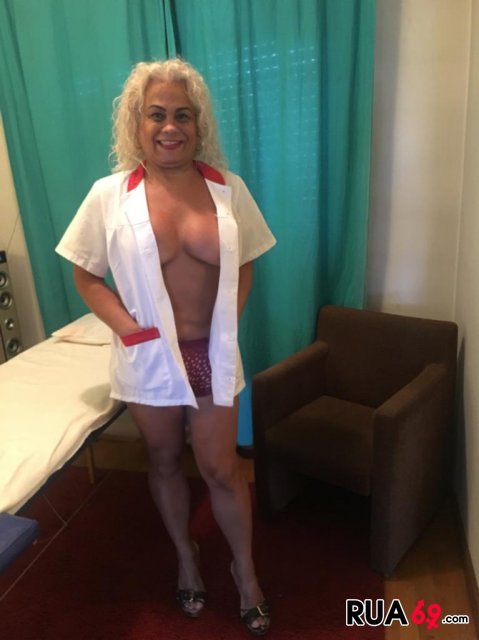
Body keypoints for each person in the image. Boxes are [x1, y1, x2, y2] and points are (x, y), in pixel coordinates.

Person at [56, 58, 276, 635]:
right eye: (156, 115)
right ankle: (186, 557)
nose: (170, 126)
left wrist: (229, 318)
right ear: (137, 123)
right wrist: (128, 330)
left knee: (221, 468)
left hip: (212, 353)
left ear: (198, 124)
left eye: (183, 115)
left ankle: (246, 572)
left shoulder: (228, 190)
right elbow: (85, 274)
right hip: (150, 356)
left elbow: (247, 260)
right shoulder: (108, 195)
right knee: (162, 460)